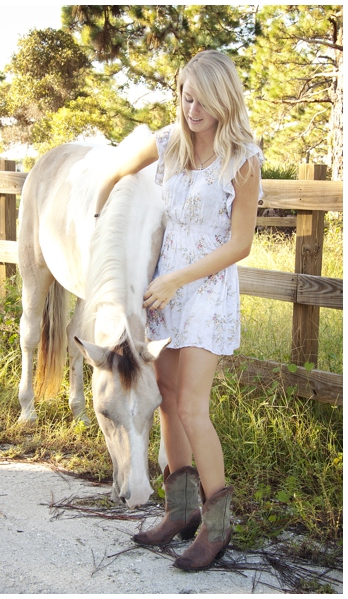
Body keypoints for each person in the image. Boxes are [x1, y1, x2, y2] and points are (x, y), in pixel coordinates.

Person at [94, 50, 262, 571]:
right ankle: (180, 511)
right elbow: (115, 171)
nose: (191, 108)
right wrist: (98, 214)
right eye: (185, 96)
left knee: (192, 407)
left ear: (223, 100)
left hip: (204, 293)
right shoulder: (167, 143)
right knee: (165, 398)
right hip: (162, 293)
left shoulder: (243, 158)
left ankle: (218, 527)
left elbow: (240, 245)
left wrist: (174, 280)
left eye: (202, 99)